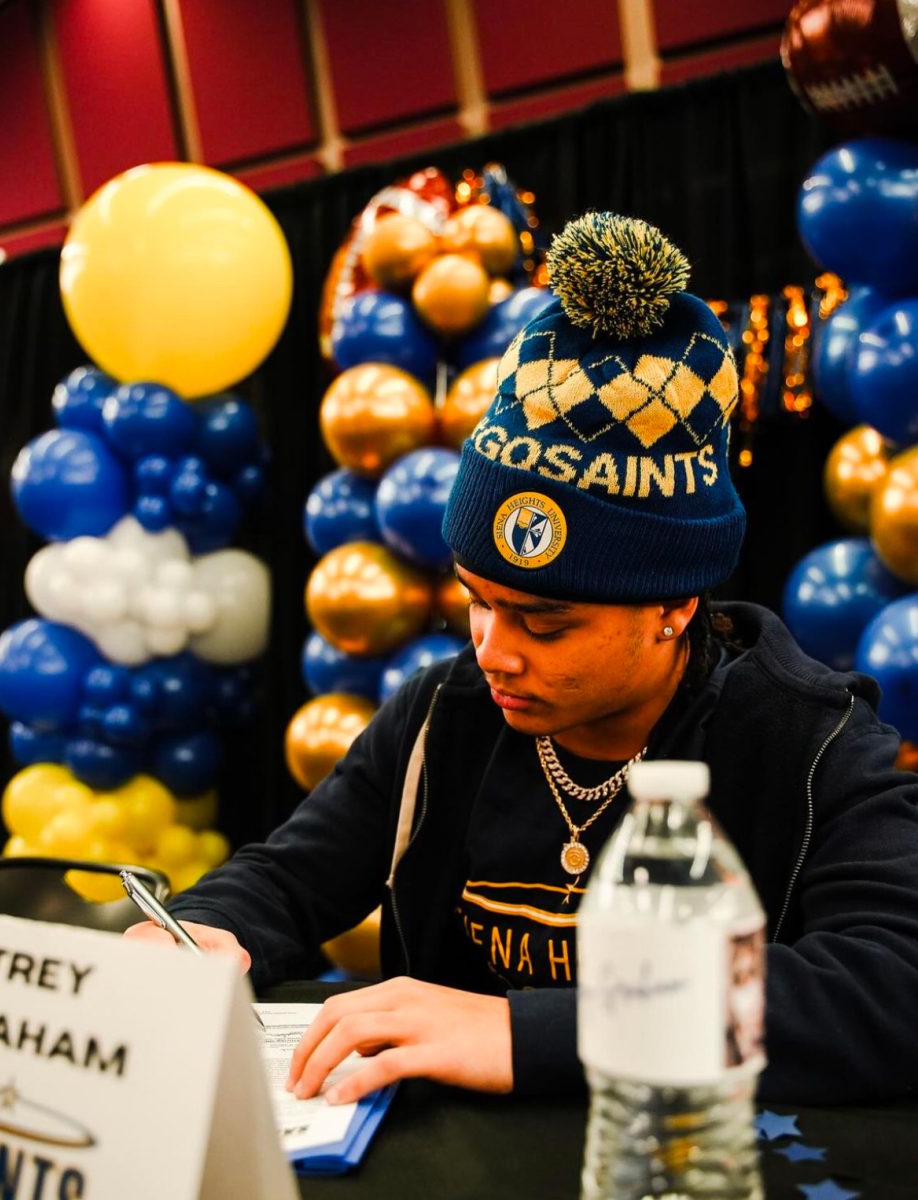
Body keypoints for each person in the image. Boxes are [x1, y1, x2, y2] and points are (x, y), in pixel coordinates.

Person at [126, 212, 918, 1109]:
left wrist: (522, 1032)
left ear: (673, 604)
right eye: (476, 600)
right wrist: (201, 930)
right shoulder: (442, 714)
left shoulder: (808, 741)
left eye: (545, 623)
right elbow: (286, 874)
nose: (493, 652)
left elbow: (891, 989)